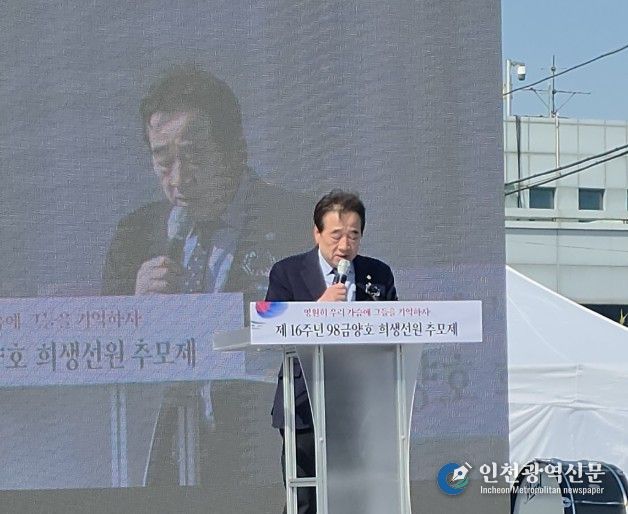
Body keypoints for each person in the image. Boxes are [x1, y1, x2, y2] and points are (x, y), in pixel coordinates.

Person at [101, 66, 311, 489]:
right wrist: (132, 310)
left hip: (270, 455)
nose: (178, 179)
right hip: (167, 466)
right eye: (163, 161)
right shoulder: (135, 236)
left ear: (235, 150)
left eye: (194, 156)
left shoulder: (301, 225)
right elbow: (103, 356)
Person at [265, 190, 398, 514]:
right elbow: (269, 327)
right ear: (317, 233)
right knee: (305, 498)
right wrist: (316, 310)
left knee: (358, 496)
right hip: (304, 401)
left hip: (361, 403)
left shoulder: (378, 273)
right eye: (336, 235)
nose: (345, 245)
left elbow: (395, 326)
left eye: (354, 235)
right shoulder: (287, 272)